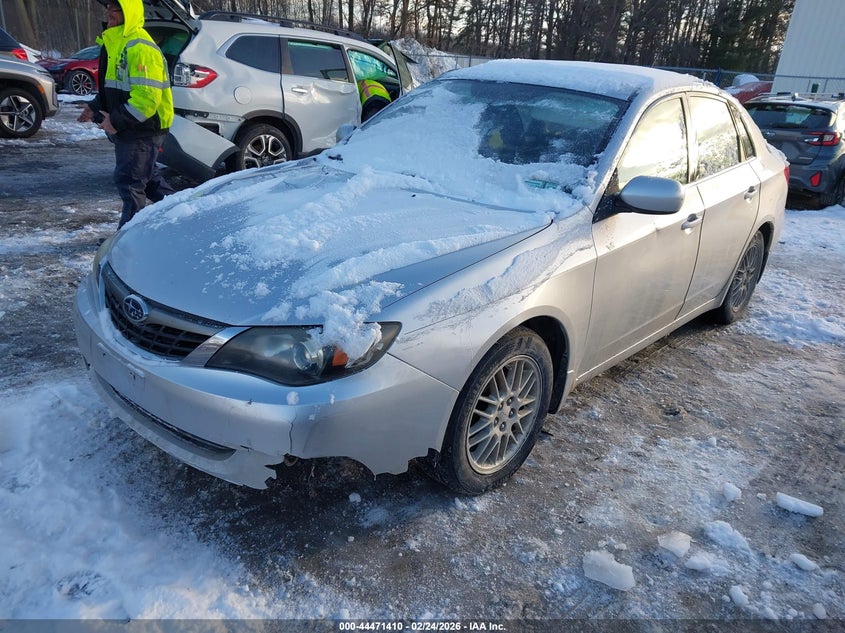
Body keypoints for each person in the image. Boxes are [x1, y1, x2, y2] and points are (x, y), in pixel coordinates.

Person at [78, 0, 175, 228]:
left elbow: (147, 100)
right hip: (133, 126)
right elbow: (112, 88)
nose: (109, 12)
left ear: (129, 12)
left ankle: (127, 243)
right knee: (147, 180)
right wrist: (94, 106)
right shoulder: (115, 44)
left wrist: (116, 121)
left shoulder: (140, 47)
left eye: (116, 8)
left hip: (142, 127)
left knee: (130, 182)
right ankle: (188, 216)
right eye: (109, 7)